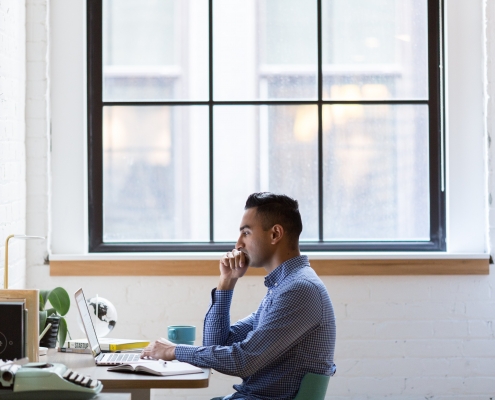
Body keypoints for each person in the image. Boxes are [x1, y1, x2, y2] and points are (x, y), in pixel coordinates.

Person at [141, 192, 336, 400]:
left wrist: (174, 351)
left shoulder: (299, 290)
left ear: (275, 234)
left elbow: (243, 361)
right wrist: (227, 282)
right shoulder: (283, 287)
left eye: (246, 233)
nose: (238, 244)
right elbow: (216, 344)